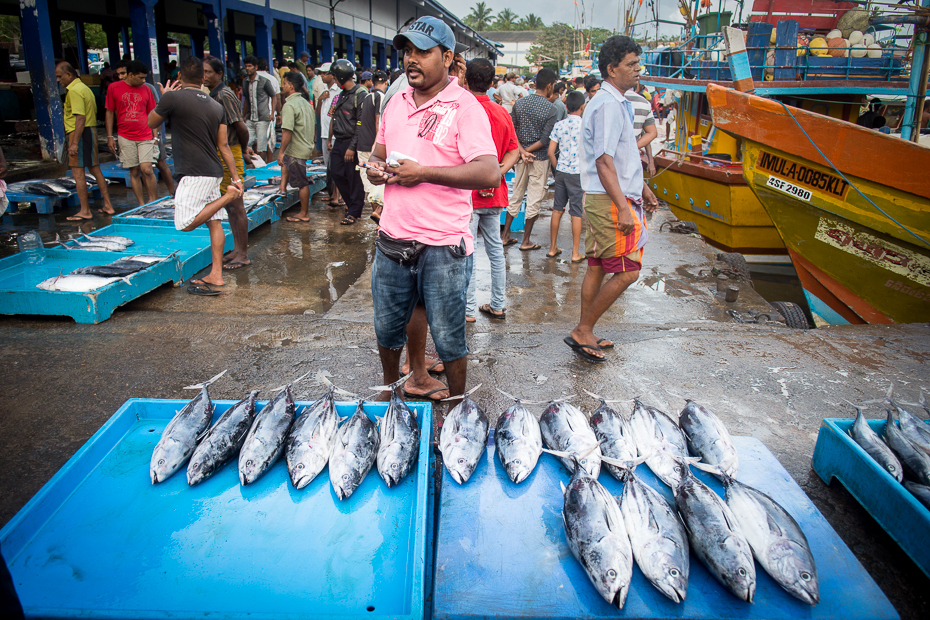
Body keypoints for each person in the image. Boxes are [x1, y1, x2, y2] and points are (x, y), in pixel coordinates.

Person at [365, 16, 499, 404]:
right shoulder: (395, 103)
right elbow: (379, 154)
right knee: (387, 329)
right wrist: (375, 170)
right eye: (407, 51)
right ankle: (393, 395)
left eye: (423, 51)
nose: (412, 59)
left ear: (447, 57)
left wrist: (423, 173)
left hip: (444, 245)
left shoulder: (465, 106)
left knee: (449, 335)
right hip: (393, 238)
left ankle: (458, 407)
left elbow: (489, 172)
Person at [566, 35, 658, 363]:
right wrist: (622, 206)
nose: (638, 69)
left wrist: (642, 188)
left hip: (607, 195)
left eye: (637, 63)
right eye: (631, 64)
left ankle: (584, 329)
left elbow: (623, 154)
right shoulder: (606, 104)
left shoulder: (618, 101)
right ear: (611, 69)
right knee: (628, 269)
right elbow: (603, 161)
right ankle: (583, 328)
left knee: (596, 266)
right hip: (608, 199)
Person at [148, 56, 243, 292]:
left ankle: (227, 197)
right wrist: (235, 176)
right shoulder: (216, 105)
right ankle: (216, 275)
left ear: (179, 77)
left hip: (193, 172)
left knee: (185, 223)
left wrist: (163, 97)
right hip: (214, 170)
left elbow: (151, 122)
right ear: (202, 78)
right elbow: (223, 145)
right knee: (214, 222)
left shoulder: (172, 98)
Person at [464, 58, 520, 323]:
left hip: (467, 193)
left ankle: (467, 310)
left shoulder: (462, 110)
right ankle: (497, 304)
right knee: (495, 250)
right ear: (491, 83)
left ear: (465, 80)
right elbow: (514, 149)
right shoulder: (500, 112)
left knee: (468, 251)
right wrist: (497, 173)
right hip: (495, 193)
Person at [203, 56, 253, 270]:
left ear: (220, 74)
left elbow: (240, 126)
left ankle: (243, 253)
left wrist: (243, 148)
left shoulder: (224, 94)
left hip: (230, 151)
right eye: (203, 72)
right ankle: (236, 248)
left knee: (237, 205)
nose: (205, 76)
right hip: (221, 153)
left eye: (208, 72)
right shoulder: (212, 94)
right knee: (229, 207)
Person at [501, 68, 558, 251]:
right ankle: (526, 241)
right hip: (539, 160)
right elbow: (544, 140)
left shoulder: (520, 103)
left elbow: (512, 130)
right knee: (534, 200)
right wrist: (527, 151)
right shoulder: (551, 109)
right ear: (549, 86)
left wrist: (521, 151)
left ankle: (505, 235)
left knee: (516, 195)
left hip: (519, 158)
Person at [55, 61, 114, 220]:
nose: (59, 80)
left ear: (69, 74)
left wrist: (73, 143)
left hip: (78, 133)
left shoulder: (73, 91)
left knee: (78, 173)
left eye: (60, 77)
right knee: (95, 168)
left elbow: (80, 118)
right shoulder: (85, 88)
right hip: (91, 131)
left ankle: (85, 211)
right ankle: (108, 205)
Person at [105, 60, 158, 207]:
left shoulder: (146, 89)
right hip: (125, 135)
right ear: (130, 75)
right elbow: (109, 112)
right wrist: (110, 137)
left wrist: (155, 136)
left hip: (145, 134)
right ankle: (141, 204)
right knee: (134, 170)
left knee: (146, 169)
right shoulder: (113, 88)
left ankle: (153, 200)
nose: (143, 80)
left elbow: (152, 112)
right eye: (140, 77)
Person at [547, 90, 586, 262]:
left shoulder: (559, 125)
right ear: (583, 107)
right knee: (576, 212)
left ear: (566, 106)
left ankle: (552, 247)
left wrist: (557, 170)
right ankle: (575, 252)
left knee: (557, 209)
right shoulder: (586, 126)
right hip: (577, 174)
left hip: (561, 172)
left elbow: (550, 152)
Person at [327, 58, 365, 225]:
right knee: (336, 172)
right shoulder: (341, 95)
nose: (334, 80)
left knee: (354, 177)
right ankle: (352, 204)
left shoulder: (360, 95)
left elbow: (360, 124)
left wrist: (352, 147)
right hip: (339, 141)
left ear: (341, 77)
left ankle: (354, 211)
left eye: (335, 77)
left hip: (351, 143)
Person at [277, 71, 317, 223]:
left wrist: (280, 152)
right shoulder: (305, 103)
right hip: (305, 146)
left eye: (285, 83)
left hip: (297, 149)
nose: (283, 86)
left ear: (291, 86)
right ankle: (283, 189)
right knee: (289, 167)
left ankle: (304, 213)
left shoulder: (290, 105)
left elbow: (287, 130)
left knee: (301, 183)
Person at [356, 69, 388, 218]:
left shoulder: (366, 96)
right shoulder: (381, 97)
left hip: (362, 144)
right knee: (379, 181)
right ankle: (378, 215)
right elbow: (378, 121)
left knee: (370, 184)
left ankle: (376, 213)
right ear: (386, 82)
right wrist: (377, 143)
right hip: (373, 146)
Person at [242, 55, 279, 165]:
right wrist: (243, 115)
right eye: (246, 66)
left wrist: (272, 113)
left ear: (256, 67)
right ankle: (255, 165)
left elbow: (273, 96)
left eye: (250, 66)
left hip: (263, 117)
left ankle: (261, 168)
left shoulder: (264, 81)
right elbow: (246, 100)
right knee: (247, 143)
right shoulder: (245, 82)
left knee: (261, 146)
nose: (247, 68)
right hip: (250, 117)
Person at [317, 62, 342, 209]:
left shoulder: (338, 92)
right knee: (328, 167)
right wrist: (320, 99)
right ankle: (332, 193)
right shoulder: (324, 92)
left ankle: (337, 196)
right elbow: (319, 113)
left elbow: (335, 116)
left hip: (334, 135)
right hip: (324, 133)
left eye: (324, 73)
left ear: (332, 75)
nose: (321, 76)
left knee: (336, 167)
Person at [626, 82, 658, 177]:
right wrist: (651, 162)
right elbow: (650, 133)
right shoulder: (644, 103)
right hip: (633, 158)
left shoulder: (609, 99)